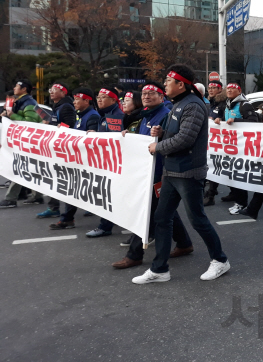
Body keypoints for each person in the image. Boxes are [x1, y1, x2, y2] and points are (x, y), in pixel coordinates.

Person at [133, 64, 229, 284]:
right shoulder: (177, 104)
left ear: (180, 84)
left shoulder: (194, 105)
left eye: (168, 80)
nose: (165, 84)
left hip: (188, 172)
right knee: (162, 218)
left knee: (197, 220)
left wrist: (158, 147)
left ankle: (220, 260)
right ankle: (159, 269)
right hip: (171, 171)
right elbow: (175, 133)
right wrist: (161, 133)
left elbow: (186, 138)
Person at [112, 82, 194, 269]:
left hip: (159, 172)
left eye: (151, 93)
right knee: (162, 210)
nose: (146, 96)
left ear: (161, 97)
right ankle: (184, 243)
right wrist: (128, 134)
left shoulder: (165, 115)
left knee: (148, 211)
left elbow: (175, 141)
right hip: (147, 172)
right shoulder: (146, 115)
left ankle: (134, 254)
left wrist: (161, 135)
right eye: (144, 94)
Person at [49, 88, 100, 229]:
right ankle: (67, 218)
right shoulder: (81, 115)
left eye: (77, 99)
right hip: (77, 160)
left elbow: (91, 140)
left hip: (86, 161)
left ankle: (69, 218)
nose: (74, 102)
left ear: (86, 101)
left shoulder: (92, 116)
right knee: (72, 189)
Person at [86, 87, 125, 238]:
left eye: (103, 97)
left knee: (110, 195)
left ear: (114, 100)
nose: (99, 99)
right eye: (98, 96)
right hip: (107, 162)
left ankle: (105, 226)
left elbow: (116, 140)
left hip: (114, 164)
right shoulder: (105, 114)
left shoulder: (116, 116)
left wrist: (98, 136)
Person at [214, 82, 259, 214]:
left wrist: (236, 121)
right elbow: (225, 119)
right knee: (232, 174)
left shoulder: (244, 105)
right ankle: (237, 199)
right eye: (228, 88)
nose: (229, 90)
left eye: (232, 88)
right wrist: (219, 120)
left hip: (241, 146)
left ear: (239, 91)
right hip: (230, 145)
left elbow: (253, 121)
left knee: (239, 175)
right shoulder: (227, 104)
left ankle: (241, 203)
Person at [0, 79, 45, 208]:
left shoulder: (29, 104)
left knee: (19, 168)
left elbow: (29, 124)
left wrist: (12, 115)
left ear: (24, 89)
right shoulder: (21, 102)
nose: (14, 88)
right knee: (31, 169)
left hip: (28, 141)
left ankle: (11, 198)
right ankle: (37, 196)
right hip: (25, 142)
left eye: (17, 86)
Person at [36, 82, 76, 218]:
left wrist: (59, 127)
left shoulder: (66, 106)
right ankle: (54, 207)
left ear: (63, 93)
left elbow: (71, 125)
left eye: (55, 90)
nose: (51, 92)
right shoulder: (57, 106)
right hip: (55, 148)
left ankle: (62, 211)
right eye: (50, 89)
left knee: (62, 180)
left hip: (63, 149)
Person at [205, 80, 226, 205]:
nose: (211, 90)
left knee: (216, 166)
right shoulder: (210, 104)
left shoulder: (223, 104)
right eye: (209, 87)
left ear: (220, 89)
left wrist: (221, 120)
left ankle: (211, 195)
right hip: (212, 140)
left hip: (222, 142)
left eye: (214, 87)